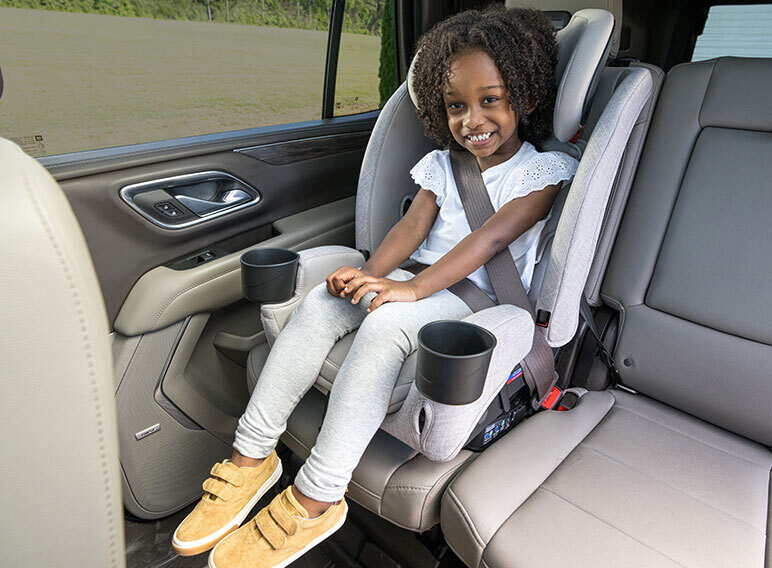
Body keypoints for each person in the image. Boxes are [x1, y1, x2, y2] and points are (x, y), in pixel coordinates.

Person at [173, 6, 579, 568]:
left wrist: (406, 293)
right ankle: (250, 458)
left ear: (526, 100)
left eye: (491, 99)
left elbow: (487, 241)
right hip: (418, 285)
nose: (472, 119)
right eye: (456, 106)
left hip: (476, 302)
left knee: (384, 324)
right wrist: (373, 275)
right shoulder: (442, 165)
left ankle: (317, 496)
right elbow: (412, 227)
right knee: (322, 302)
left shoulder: (544, 173)